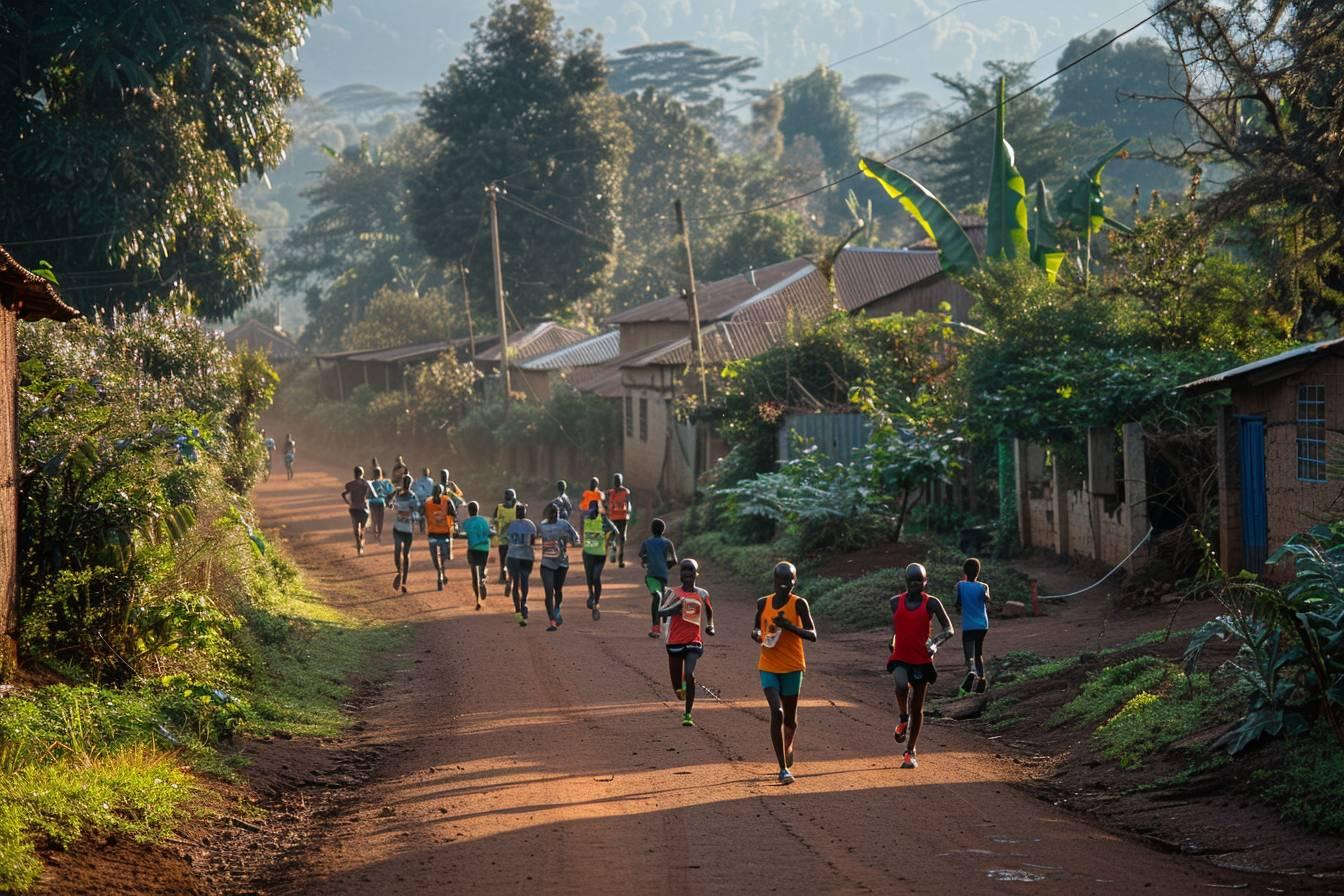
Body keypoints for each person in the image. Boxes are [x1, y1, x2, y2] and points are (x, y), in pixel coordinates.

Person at [752, 562, 818, 785]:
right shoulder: (763, 603)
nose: (784, 585)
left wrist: (789, 626)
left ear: (795, 581)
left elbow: (813, 635)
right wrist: (757, 634)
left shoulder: (799, 604)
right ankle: (782, 769)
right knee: (776, 712)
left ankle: (788, 743)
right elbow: (757, 628)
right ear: (773, 581)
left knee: (790, 720)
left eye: (789, 580)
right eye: (780, 581)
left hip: (792, 667)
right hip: (768, 666)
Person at [887, 563, 954, 770]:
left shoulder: (932, 603)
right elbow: (896, 628)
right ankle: (902, 718)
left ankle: (910, 752)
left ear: (925, 582)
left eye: (919, 581)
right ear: (905, 581)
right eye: (911, 581)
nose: (915, 585)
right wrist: (893, 640)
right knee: (900, 684)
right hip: (900, 656)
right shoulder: (895, 602)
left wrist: (935, 643)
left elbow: (949, 628)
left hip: (922, 659)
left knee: (918, 707)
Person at [656, 558, 715, 727]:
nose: (688, 574)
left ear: (696, 573)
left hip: (693, 642)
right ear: (680, 574)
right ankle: (681, 687)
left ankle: (688, 714)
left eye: (691, 571)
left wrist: (710, 626)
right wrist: (674, 609)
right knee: (678, 690)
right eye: (684, 571)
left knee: (689, 674)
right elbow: (660, 612)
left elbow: (709, 610)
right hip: (674, 643)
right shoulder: (671, 592)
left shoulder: (702, 594)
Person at [538, 503, 581, 632]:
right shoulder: (542, 526)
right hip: (546, 563)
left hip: (562, 563)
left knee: (558, 590)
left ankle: (557, 609)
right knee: (549, 591)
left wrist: (575, 541)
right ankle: (552, 621)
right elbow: (532, 536)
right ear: (547, 514)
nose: (554, 515)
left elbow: (575, 535)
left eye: (556, 513)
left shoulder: (564, 524)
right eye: (551, 513)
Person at [955, 557, 992, 695]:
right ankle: (982, 679)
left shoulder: (961, 586)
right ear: (978, 571)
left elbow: (958, 604)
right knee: (979, 653)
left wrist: (959, 608)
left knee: (969, 654)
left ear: (964, 571)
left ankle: (971, 672)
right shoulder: (983, 586)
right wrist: (985, 597)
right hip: (982, 625)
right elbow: (986, 598)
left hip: (968, 625)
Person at [639, 518, 678, 638]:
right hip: (663, 575)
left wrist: (646, 561)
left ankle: (658, 627)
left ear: (651, 530)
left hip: (651, 575)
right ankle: (658, 627)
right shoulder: (668, 543)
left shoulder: (646, 542)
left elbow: (642, 555)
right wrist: (666, 566)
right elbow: (675, 560)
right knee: (659, 597)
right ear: (663, 530)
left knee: (658, 598)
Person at [581, 500, 618, 620]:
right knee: (589, 577)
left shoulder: (602, 519)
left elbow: (614, 531)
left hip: (600, 554)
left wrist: (611, 542)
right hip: (588, 553)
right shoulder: (585, 518)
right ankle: (591, 596)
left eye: (595, 509)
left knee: (595, 577)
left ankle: (596, 603)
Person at [505, 503, 538, 626]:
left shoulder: (511, 525)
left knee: (515, 582)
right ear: (525, 512)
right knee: (524, 581)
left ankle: (518, 610)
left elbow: (507, 540)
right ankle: (523, 603)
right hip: (526, 556)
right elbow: (533, 541)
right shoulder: (530, 524)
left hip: (513, 556)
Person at [461, 501, 494, 610]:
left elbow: (461, 533)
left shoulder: (466, 522)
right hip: (484, 549)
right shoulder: (484, 521)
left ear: (469, 511)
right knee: (482, 570)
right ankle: (483, 579)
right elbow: (490, 533)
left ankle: (478, 600)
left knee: (474, 576)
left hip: (472, 550)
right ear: (478, 510)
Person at [424, 484, 458, 591]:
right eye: (435, 492)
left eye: (438, 492)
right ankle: (440, 573)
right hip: (433, 533)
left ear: (442, 493)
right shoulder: (428, 502)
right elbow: (422, 512)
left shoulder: (447, 501)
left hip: (444, 533)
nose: (436, 494)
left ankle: (441, 573)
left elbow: (454, 514)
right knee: (435, 557)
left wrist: (455, 524)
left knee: (443, 556)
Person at [390, 475, 419, 593]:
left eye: (407, 482)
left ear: (410, 484)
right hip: (399, 528)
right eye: (404, 482)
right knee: (398, 551)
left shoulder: (412, 496)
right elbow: (391, 505)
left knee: (405, 554)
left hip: (407, 529)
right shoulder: (398, 494)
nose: (406, 484)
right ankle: (399, 572)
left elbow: (415, 509)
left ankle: (404, 582)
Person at [341, 466, 373, 556]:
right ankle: (361, 544)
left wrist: (348, 502)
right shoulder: (366, 484)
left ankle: (358, 544)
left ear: (354, 474)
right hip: (364, 509)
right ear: (362, 474)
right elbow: (373, 494)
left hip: (354, 509)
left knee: (356, 529)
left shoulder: (350, 484)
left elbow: (343, 494)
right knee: (363, 528)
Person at [605, 473, 632, 566]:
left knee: (621, 537)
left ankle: (619, 558)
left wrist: (628, 511)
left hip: (622, 517)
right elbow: (605, 502)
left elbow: (628, 503)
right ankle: (614, 554)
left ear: (621, 481)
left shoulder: (625, 491)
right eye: (616, 480)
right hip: (614, 517)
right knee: (615, 537)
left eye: (619, 479)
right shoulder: (610, 492)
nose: (618, 481)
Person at [438, 469, 467, 559]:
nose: (444, 477)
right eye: (443, 475)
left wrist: (454, 486)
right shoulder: (440, 488)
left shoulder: (449, 487)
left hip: (448, 514)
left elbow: (459, 496)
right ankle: (445, 553)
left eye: (445, 475)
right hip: (442, 514)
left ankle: (447, 553)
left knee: (447, 535)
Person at [494, 489, 519, 585]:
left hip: (503, 538)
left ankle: (503, 575)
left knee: (503, 558)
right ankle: (510, 576)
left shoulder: (499, 507)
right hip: (513, 539)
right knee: (512, 558)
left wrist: (498, 531)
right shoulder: (517, 508)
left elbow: (495, 521)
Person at [368, 466, 393, 543]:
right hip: (381, 503)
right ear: (381, 474)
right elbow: (390, 494)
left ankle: (375, 531)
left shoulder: (371, 483)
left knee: (373, 517)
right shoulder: (385, 483)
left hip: (372, 503)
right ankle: (379, 534)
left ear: (374, 474)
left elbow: (368, 494)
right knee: (380, 519)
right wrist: (389, 503)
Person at [411, 468, 435, 534]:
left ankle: (425, 529)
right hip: (424, 500)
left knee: (424, 515)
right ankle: (423, 530)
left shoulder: (428, 481)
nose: (427, 473)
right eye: (426, 472)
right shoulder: (423, 481)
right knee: (423, 516)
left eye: (427, 472)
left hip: (425, 500)